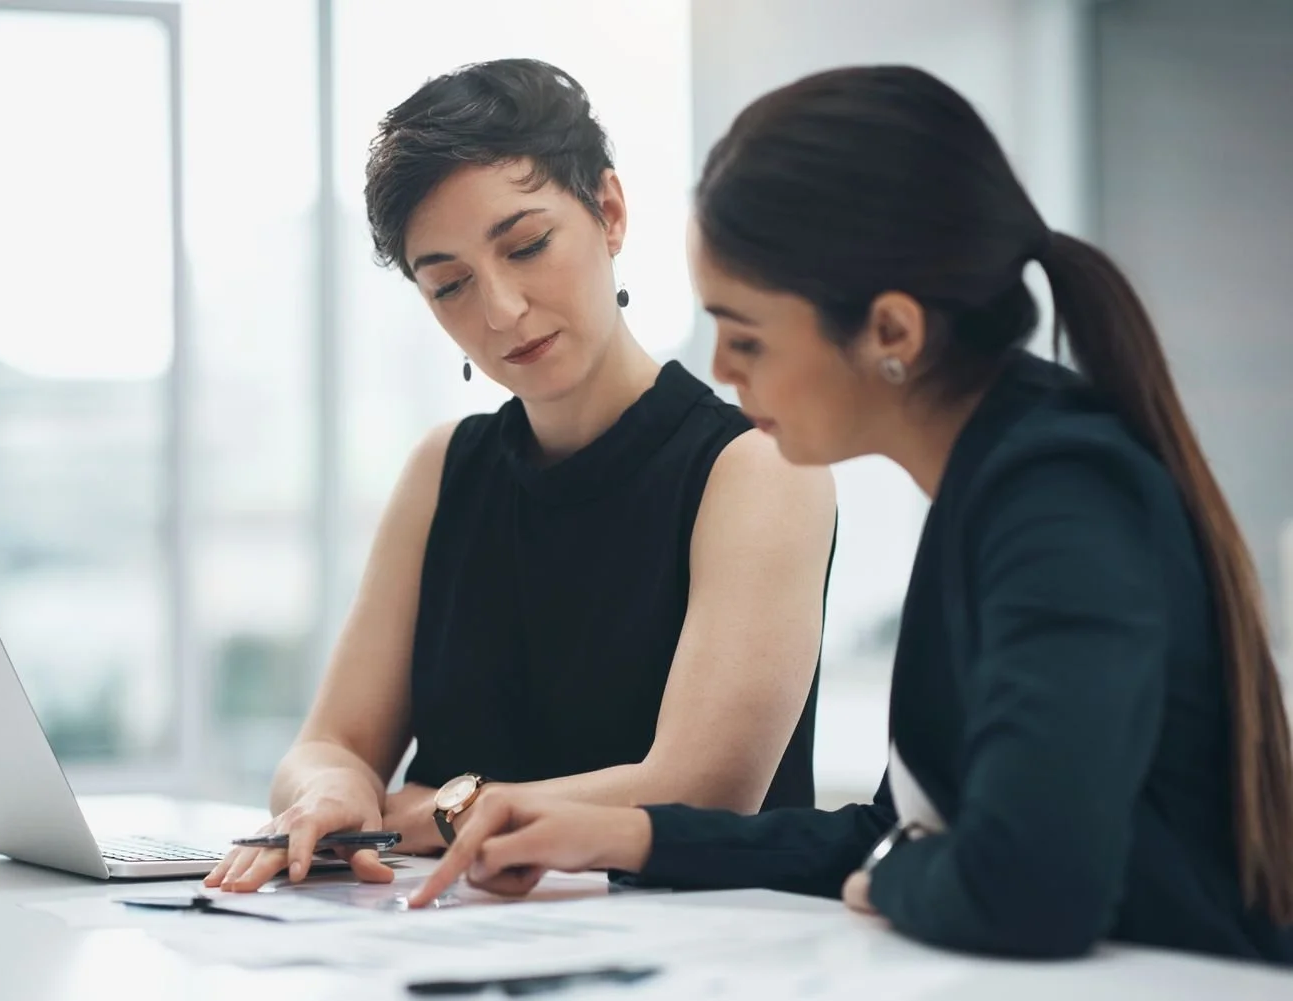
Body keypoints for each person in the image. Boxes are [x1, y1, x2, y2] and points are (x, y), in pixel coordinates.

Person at [408, 65, 1293, 965]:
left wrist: (892, 879)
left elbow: (1025, 889)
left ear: (893, 335)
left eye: (747, 334)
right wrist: (618, 836)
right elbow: (893, 828)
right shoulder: (994, 482)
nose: (722, 364)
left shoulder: (1059, 492)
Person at [205, 59, 836, 893]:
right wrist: (332, 791)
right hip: (445, 941)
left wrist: (429, 810)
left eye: (528, 245)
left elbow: (701, 791)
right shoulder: (443, 468)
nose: (499, 310)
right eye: (450, 285)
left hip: (689, 953)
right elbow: (329, 745)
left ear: (608, 213)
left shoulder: (756, 465)